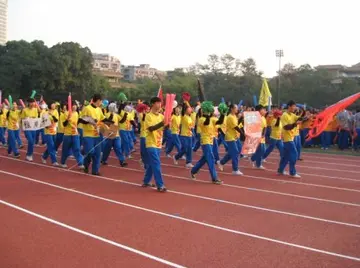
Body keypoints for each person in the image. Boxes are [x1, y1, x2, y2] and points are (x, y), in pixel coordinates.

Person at [191, 101, 222, 184]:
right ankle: (214, 178)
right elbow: (206, 123)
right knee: (211, 158)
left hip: (211, 140)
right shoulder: (201, 119)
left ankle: (194, 170)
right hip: (205, 141)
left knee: (205, 158)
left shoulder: (213, 119)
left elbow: (220, 122)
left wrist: (222, 113)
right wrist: (208, 115)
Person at [142, 97, 167, 192]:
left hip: (158, 143)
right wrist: (162, 124)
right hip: (151, 143)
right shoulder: (148, 116)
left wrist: (167, 124)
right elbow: (151, 129)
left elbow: (164, 128)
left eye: (160, 103)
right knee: (156, 163)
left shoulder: (161, 116)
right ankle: (160, 185)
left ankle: (146, 180)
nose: (159, 105)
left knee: (153, 164)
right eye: (157, 103)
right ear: (152, 104)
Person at [79, 94, 106, 175]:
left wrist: (110, 122)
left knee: (98, 153)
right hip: (88, 134)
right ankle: (86, 164)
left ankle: (95, 170)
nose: (101, 102)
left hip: (97, 134)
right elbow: (81, 120)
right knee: (90, 152)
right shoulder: (87, 108)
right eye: (101, 101)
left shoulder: (99, 109)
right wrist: (90, 121)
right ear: (98, 100)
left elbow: (103, 118)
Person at [277, 100, 302, 178]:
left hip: (291, 137)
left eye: (295, 106)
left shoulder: (292, 114)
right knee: (294, 154)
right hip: (287, 138)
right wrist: (295, 124)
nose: (295, 108)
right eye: (293, 106)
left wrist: (306, 116)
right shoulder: (285, 115)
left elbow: (299, 118)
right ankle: (292, 172)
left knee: (286, 155)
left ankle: (280, 170)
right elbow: (286, 127)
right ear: (289, 106)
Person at [218, 104, 243, 175]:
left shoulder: (234, 116)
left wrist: (241, 118)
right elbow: (236, 127)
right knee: (235, 152)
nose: (237, 109)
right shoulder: (230, 117)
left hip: (235, 136)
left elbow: (237, 124)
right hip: (230, 137)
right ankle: (235, 169)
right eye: (236, 108)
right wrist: (243, 134)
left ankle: (222, 162)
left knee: (236, 150)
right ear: (232, 109)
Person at [60, 101, 84, 169]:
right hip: (67, 135)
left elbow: (78, 121)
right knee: (65, 149)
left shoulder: (76, 113)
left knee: (77, 149)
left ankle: (80, 163)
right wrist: (68, 118)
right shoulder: (66, 113)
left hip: (75, 134)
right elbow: (64, 124)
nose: (74, 106)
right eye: (73, 105)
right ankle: (63, 162)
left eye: (75, 105)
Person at [41, 102, 59, 166]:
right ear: (49, 105)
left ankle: (44, 156)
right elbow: (44, 123)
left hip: (54, 131)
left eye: (54, 104)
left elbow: (56, 120)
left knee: (52, 146)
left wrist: (52, 115)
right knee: (51, 146)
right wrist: (48, 125)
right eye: (52, 104)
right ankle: (54, 161)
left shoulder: (56, 112)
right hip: (48, 132)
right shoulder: (45, 112)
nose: (54, 105)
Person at [250, 105, 267, 169]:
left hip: (262, 137)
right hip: (256, 137)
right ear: (259, 111)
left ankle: (252, 158)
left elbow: (265, 127)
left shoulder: (263, 118)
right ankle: (258, 164)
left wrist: (263, 134)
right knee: (261, 150)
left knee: (262, 150)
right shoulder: (254, 118)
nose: (264, 111)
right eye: (263, 110)